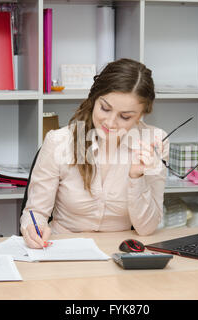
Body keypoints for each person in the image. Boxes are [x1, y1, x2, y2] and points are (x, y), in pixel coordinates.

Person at [20, 58, 169, 249]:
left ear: (141, 115)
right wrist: (33, 227)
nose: (110, 122)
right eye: (105, 108)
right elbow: (35, 212)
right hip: (63, 250)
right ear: (94, 98)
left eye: (125, 116)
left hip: (120, 252)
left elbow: (147, 228)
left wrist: (136, 177)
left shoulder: (154, 142)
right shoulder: (60, 142)